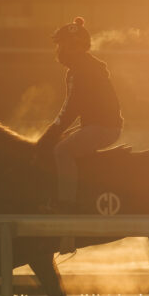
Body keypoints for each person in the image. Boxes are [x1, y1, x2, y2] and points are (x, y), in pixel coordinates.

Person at [36, 16, 123, 212]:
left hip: (103, 128)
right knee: (62, 142)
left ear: (74, 47)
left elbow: (70, 109)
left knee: (62, 151)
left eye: (62, 46)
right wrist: (56, 133)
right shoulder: (84, 67)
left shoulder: (81, 71)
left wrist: (49, 136)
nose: (59, 50)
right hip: (99, 126)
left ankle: (66, 204)